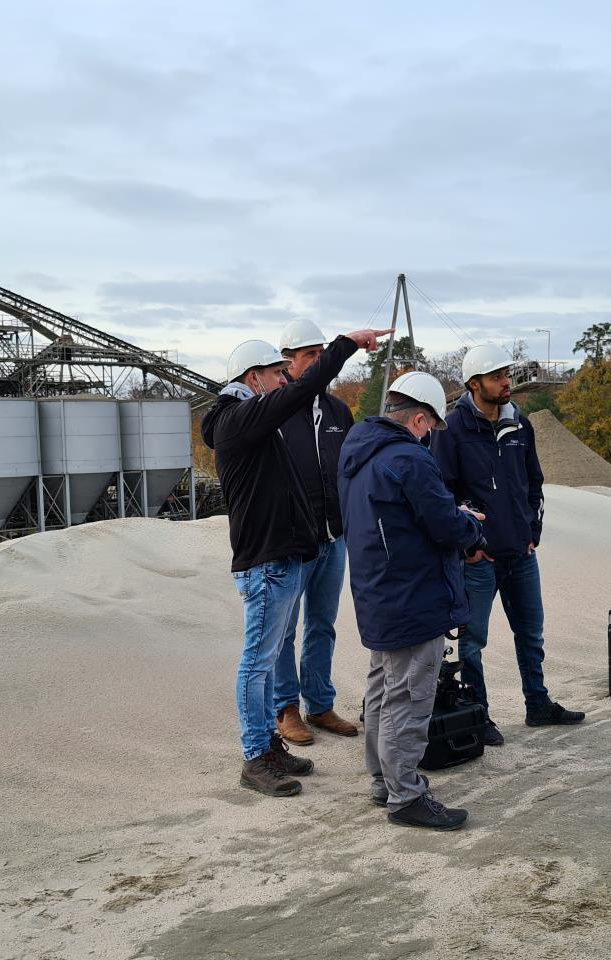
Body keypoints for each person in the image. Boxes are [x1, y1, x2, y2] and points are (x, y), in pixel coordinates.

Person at [201, 326, 389, 798]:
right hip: (265, 561)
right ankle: (255, 757)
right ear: (254, 378)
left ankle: (269, 746)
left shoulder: (247, 418)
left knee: (266, 659)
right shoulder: (238, 417)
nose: (283, 380)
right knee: (257, 663)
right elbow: (304, 388)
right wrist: (347, 344)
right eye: (276, 373)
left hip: (282, 556)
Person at [338, 371, 489, 830]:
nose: (431, 438)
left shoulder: (357, 452)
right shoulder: (407, 457)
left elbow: (403, 517)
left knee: (383, 689)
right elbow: (443, 524)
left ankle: (384, 781)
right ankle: (405, 796)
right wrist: (470, 524)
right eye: (431, 428)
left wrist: (449, 515)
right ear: (419, 419)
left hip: (380, 592)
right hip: (413, 595)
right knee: (409, 695)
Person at [431, 342, 585, 746]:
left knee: (531, 634)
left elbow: (535, 482)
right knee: (472, 643)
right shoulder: (451, 430)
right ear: (474, 383)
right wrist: (468, 546)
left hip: (521, 554)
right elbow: (443, 494)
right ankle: (478, 714)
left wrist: (532, 532)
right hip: (479, 560)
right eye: (497, 376)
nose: (506, 382)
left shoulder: (521, 425)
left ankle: (538, 704)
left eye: (506, 374)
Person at [272, 317, 359, 747]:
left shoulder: (339, 411)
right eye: (310, 354)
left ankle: (320, 704)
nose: (319, 361)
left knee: (322, 624)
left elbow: (351, 471)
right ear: (287, 361)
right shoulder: (276, 409)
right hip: (292, 541)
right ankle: (286, 708)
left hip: (333, 537)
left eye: (321, 353)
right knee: (284, 630)